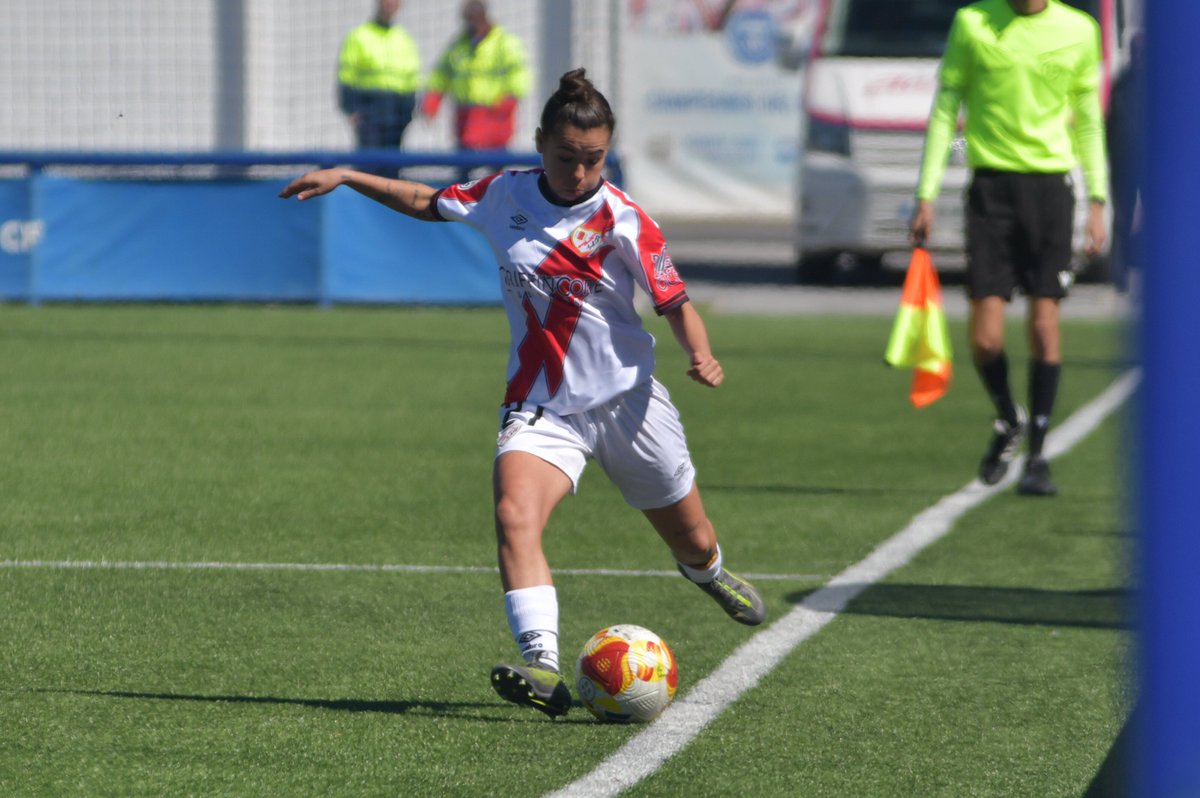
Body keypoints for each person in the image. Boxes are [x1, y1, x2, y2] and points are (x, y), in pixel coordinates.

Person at [279, 68, 766, 718]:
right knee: (515, 514)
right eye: (567, 158)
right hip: (542, 405)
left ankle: (708, 573)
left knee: (693, 537)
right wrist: (347, 175)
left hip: (629, 404)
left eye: (594, 160)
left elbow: (675, 303)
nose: (580, 172)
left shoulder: (624, 219)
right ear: (540, 145)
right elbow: (429, 201)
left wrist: (700, 353)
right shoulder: (503, 194)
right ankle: (542, 663)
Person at [909, 0, 1109, 497]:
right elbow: (944, 109)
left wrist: (1099, 198)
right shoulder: (973, 22)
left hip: (1051, 194)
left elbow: (1088, 118)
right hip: (990, 192)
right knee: (985, 339)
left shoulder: (1079, 30)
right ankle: (1008, 417)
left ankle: (1038, 457)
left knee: (1044, 325)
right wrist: (926, 193)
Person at [419, 0, 530, 179]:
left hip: (495, 116)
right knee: (464, 167)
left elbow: (519, 75)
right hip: (466, 116)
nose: (472, 24)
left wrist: (507, 101)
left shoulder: (504, 43)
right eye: (468, 20)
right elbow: (441, 74)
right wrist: (432, 101)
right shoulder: (459, 45)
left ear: (484, 17)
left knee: (495, 170)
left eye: (475, 19)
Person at [337, 0, 421, 173]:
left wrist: (409, 108)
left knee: (392, 165)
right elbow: (346, 74)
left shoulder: (403, 37)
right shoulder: (359, 35)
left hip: (397, 109)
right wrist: (350, 107)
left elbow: (411, 76)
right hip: (369, 109)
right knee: (368, 165)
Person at [1106, 32, 1145, 294]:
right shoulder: (1124, 86)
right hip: (1130, 160)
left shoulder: (1122, 84)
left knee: (1124, 216)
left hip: (1135, 160)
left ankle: (1124, 272)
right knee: (1123, 216)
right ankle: (1120, 272)